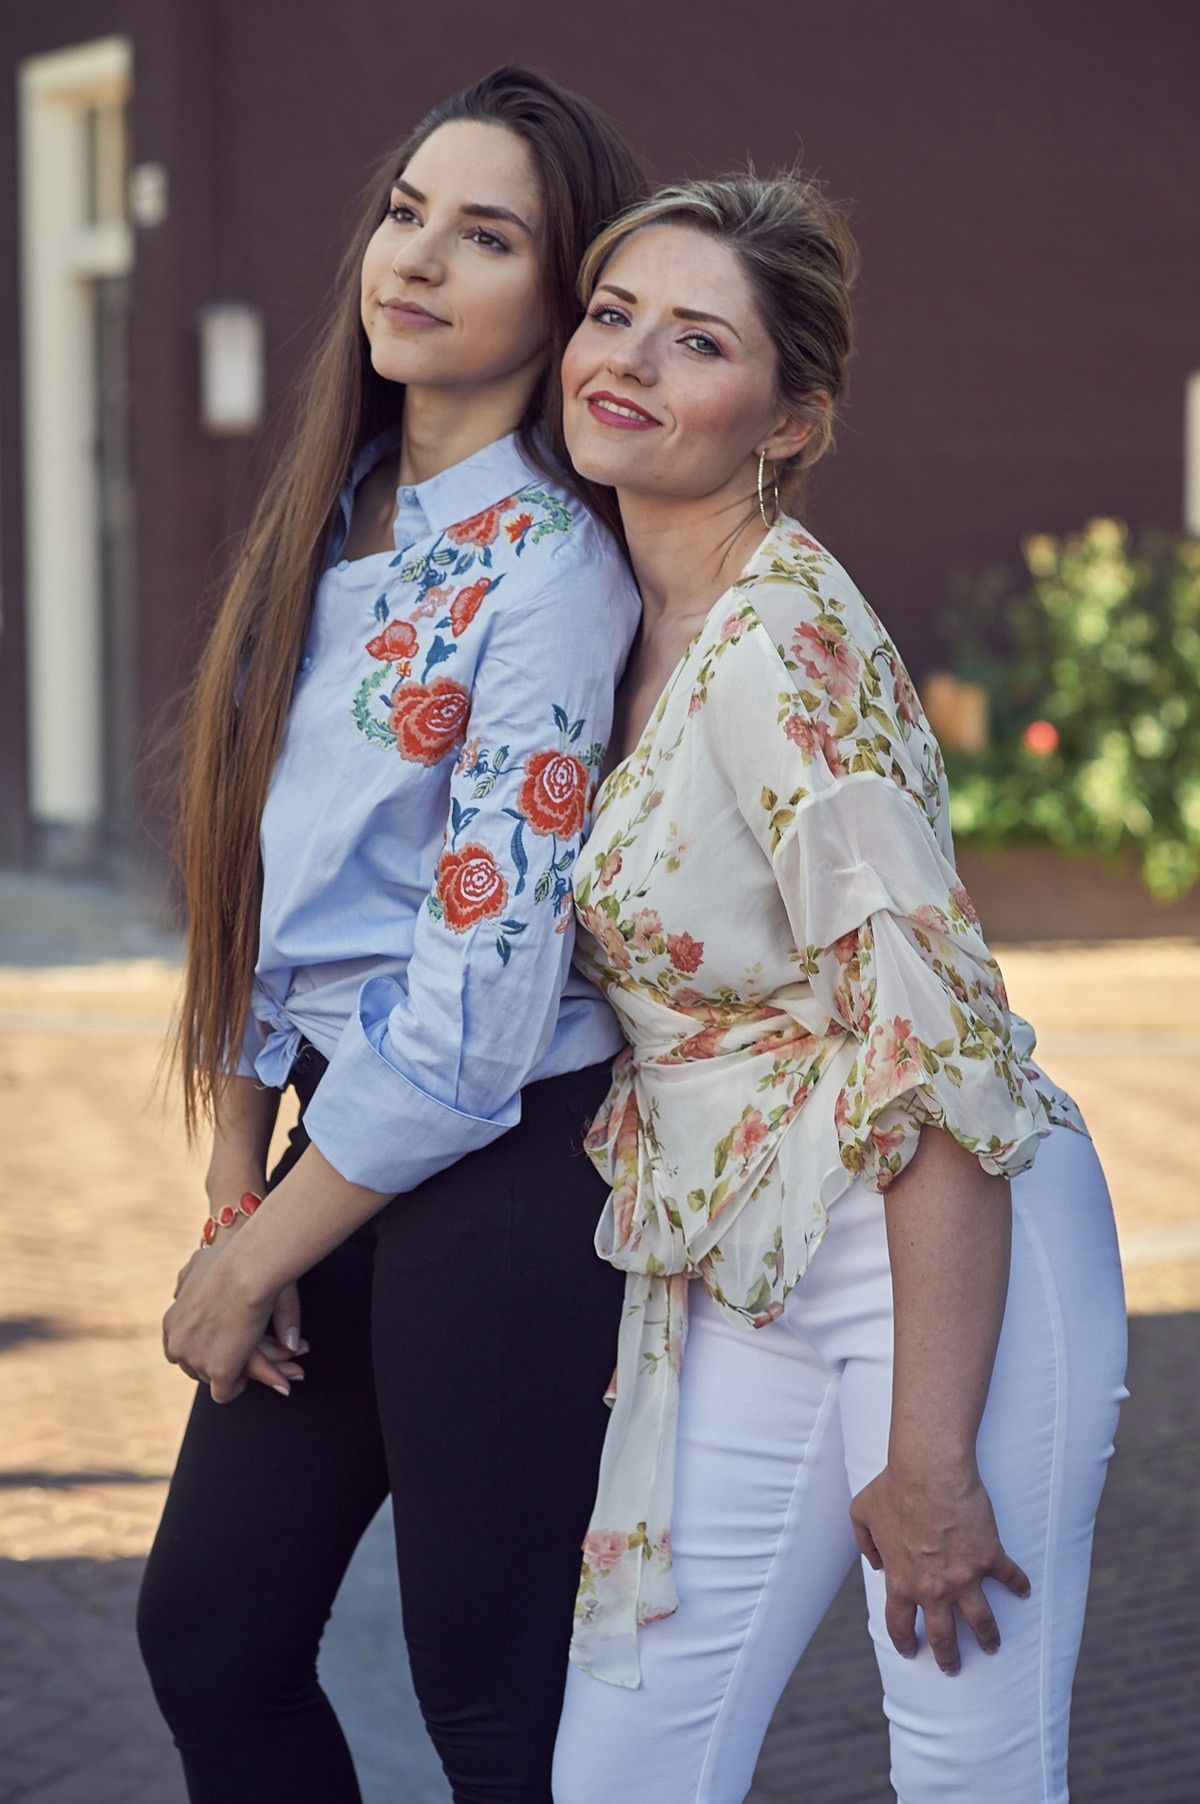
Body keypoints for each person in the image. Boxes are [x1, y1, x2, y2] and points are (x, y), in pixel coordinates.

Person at [549, 175, 1128, 1803]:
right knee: (625, 1771)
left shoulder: (782, 648)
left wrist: (930, 1453)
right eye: (613, 314)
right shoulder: (624, 626)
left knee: (968, 1772)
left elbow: (934, 1039)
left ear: (790, 422)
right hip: (752, 1265)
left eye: (698, 341)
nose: (630, 358)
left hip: (932, 1255)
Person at [136, 67, 646, 1804]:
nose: (415, 258)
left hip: (497, 1169)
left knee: (491, 1709)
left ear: (561, 301)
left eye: (486, 236)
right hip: (326, 1142)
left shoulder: (554, 571)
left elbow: (481, 1004)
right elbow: (253, 882)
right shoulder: (334, 505)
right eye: (407, 212)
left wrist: (253, 1260)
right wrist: (236, 1180)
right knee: (213, 1641)